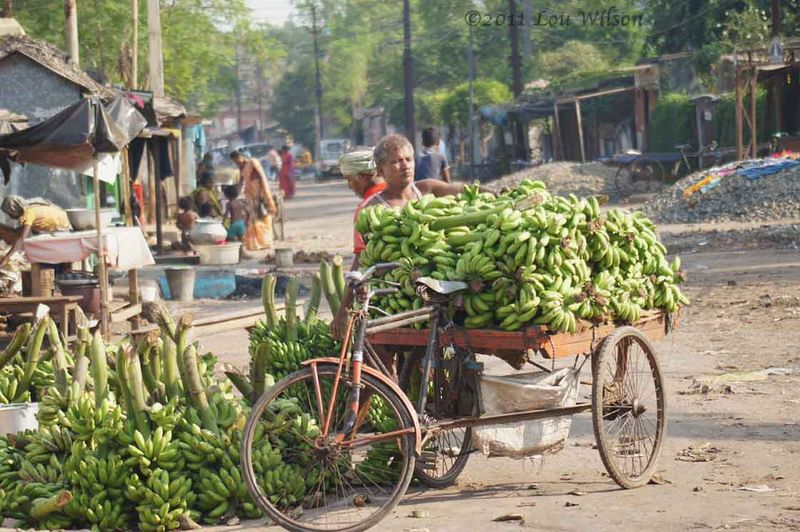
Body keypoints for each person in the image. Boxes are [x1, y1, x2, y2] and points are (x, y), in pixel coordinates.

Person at [330, 133, 485, 339]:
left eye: (408, 160)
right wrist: (343, 311)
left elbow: (461, 190)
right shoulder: (372, 210)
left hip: (444, 286)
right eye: (396, 162)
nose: (405, 166)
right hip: (401, 296)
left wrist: (497, 192)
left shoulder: (427, 189)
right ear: (380, 169)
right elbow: (361, 261)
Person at [339, 149, 386, 260]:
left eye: (349, 180)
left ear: (362, 177)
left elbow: (361, 255)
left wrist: (352, 276)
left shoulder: (365, 208)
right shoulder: (402, 194)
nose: (349, 186)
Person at [0, 195, 72, 268]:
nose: (10, 217)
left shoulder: (28, 213)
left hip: (61, 233)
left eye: (9, 213)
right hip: (63, 229)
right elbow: (21, 231)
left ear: (14, 209)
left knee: (43, 262)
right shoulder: (32, 207)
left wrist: (7, 258)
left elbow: (21, 239)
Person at [230, 150, 277, 251]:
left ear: (241, 156)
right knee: (251, 218)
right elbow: (241, 183)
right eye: (235, 161)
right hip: (249, 195)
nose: (237, 162)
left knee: (262, 217)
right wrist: (235, 195)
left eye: (238, 159)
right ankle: (255, 243)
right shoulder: (241, 168)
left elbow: (261, 176)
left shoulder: (252, 163)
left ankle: (265, 242)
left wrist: (262, 193)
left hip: (259, 193)